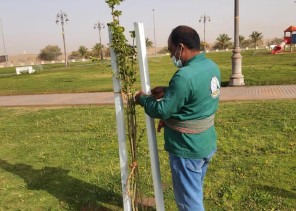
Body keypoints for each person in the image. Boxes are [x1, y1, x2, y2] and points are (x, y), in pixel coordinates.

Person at [135, 25, 221, 211]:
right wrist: (168, 91)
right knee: (194, 192)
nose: (171, 55)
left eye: (171, 50)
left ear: (181, 48)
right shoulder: (211, 67)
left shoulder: (184, 76)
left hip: (187, 148)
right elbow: (195, 97)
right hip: (205, 144)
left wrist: (142, 99)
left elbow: (162, 110)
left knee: (189, 204)